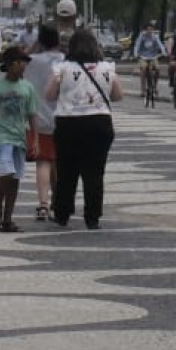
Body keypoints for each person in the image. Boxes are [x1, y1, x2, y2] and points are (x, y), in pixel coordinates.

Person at [44, 27, 121, 230]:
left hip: (69, 122)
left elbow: (49, 94)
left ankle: (62, 213)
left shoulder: (62, 68)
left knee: (66, 171)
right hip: (100, 122)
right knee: (95, 172)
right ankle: (92, 217)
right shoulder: (107, 67)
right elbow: (117, 96)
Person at [0, 46, 35, 232]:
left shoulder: (28, 88)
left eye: (24, 63)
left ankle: (8, 218)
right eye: (19, 62)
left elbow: (32, 115)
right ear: (9, 64)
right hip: (0, 135)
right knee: (7, 172)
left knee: (16, 177)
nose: (23, 66)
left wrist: (35, 140)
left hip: (19, 136)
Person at [25, 24, 64, 221]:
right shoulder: (66, 61)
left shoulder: (31, 61)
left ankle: (43, 204)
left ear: (40, 40)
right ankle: (59, 199)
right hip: (64, 118)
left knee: (43, 162)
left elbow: (13, 61)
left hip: (38, 118)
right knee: (59, 161)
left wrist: (34, 46)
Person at [132, 21, 166, 104]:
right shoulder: (142, 37)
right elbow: (137, 45)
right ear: (145, 30)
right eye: (148, 30)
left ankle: (155, 87)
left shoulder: (155, 37)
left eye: (151, 30)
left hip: (153, 57)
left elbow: (160, 45)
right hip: (143, 57)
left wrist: (163, 52)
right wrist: (136, 54)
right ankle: (143, 90)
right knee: (143, 70)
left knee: (157, 69)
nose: (150, 31)